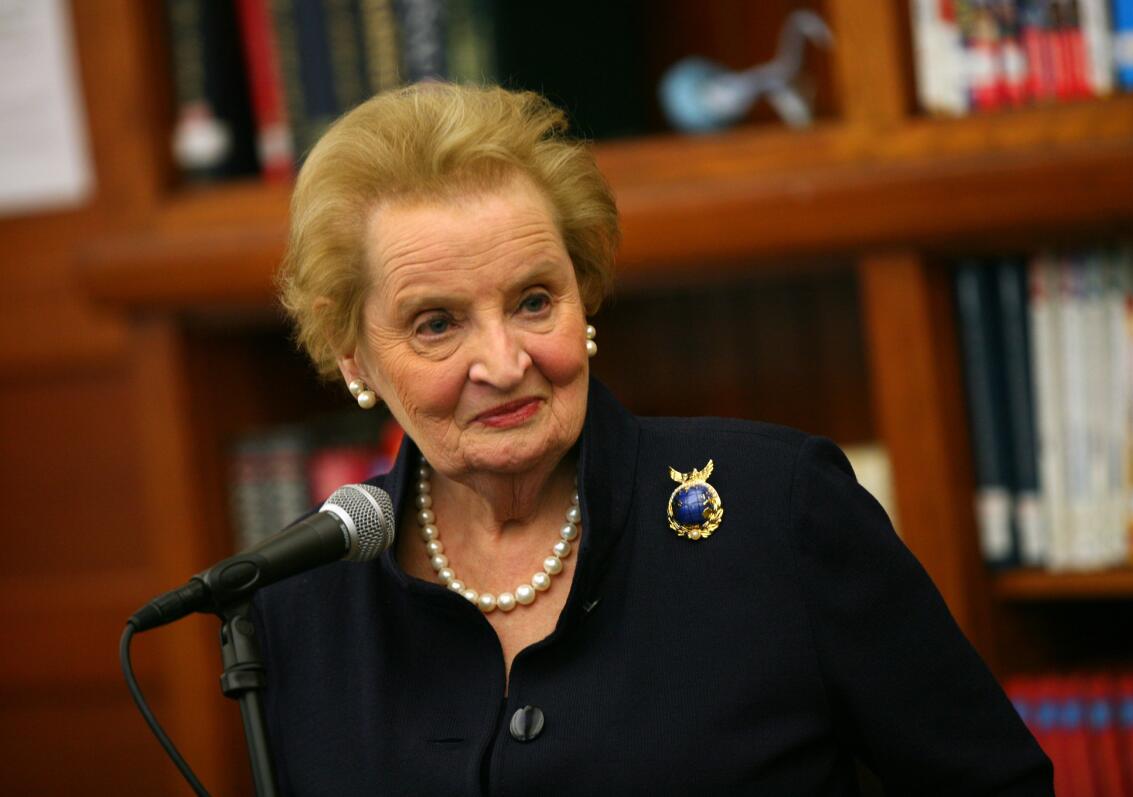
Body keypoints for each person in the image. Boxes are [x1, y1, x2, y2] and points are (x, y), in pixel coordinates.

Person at [255, 83, 1053, 795]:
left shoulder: (781, 513)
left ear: (585, 295)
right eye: (437, 323)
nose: (503, 362)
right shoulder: (303, 602)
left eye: (535, 301)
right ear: (352, 350)